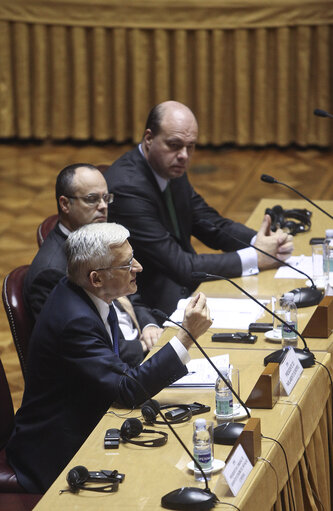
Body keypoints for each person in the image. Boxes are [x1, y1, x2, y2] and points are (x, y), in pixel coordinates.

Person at [6, 223, 212, 493]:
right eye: (127, 265)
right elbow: (127, 389)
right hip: (59, 449)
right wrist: (186, 337)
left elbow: (119, 377)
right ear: (96, 278)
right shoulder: (74, 321)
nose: (137, 267)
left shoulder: (88, 294)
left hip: (95, 417)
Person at [104, 101, 294, 315]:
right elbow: (180, 265)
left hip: (189, 287)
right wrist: (256, 257)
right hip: (155, 303)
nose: (184, 155)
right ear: (149, 139)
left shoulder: (170, 167)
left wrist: (260, 242)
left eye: (190, 146)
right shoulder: (128, 188)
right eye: (174, 145)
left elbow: (209, 222)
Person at [23, 163, 162, 354]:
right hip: (118, 364)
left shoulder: (99, 237)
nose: (103, 206)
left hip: (137, 341)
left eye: (106, 198)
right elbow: (82, 346)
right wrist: (143, 348)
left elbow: (129, 293)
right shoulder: (51, 272)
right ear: (65, 204)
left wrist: (148, 326)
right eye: (92, 199)